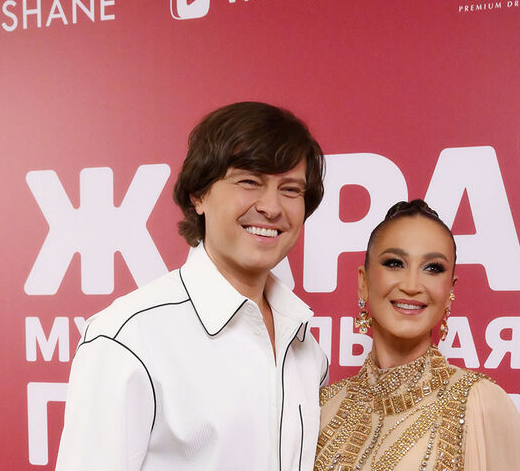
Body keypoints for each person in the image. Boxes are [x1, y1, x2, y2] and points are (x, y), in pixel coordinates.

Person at [56, 102, 329, 471]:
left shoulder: (305, 347)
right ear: (198, 195)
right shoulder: (128, 338)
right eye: (249, 182)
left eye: (291, 189)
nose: (272, 207)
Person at [316, 200, 520, 471]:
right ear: (364, 282)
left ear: (450, 290)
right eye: (395, 263)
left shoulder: (481, 404)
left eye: (432, 268)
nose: (411, 286)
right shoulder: (323, 406)